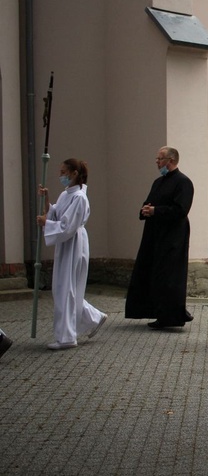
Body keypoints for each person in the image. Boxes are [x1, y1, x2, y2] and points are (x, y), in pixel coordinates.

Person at [36, 158, 108, 350]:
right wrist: (47, 201)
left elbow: (68, 226)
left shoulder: (79, 198)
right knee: (63, 287)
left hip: (74, 243)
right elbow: (57, 215)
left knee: (66, 287)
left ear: (74, 173)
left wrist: (46, 223)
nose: (60, 176)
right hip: (66, 244)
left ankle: (67, 337)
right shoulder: (65, 194)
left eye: (63, 172)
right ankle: (93, 317)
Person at [125, 146, 194, 329]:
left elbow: (181, 209)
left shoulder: (183, 182)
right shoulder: (158, 182)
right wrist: (145, 210)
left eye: (160, 159)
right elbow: (149, 203)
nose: (157, 162)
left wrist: (156, 210)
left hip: (173, 237)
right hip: (154, 235)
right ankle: (156, 312)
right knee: (154, 273)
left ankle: (172, 316)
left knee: (169, 276)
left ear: (171, 160)